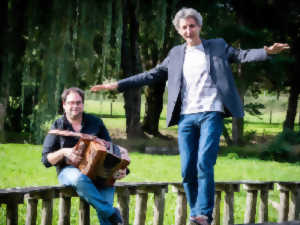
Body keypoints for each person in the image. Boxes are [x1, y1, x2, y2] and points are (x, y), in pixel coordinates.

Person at [90, 7, 289, 225]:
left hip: (211, 113)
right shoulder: (176, 54)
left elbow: (241, 55)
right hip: (186, 117)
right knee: (187, 169)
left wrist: (266, 52)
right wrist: (118, 84)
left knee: (204, 162)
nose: (188, 30)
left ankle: (204, 212)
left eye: (192, 26)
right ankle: (197, 214)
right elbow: (151, 74)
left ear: (199, 27)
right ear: (178, 30)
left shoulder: (217, 46)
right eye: (183, 27)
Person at [42, 87, 124, 225]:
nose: (75, 106)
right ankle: (111, 212)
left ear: (83, 104)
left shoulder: (96, 123)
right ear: (64, 105)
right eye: (71, 102)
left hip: (98, 174)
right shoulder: (58, 126)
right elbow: (46, 160)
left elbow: (112, 150)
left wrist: (122, 170)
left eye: (78, 102)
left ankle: (108, 214)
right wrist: (63, 152)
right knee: (80, 179)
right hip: (68, 172)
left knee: (107, 219)